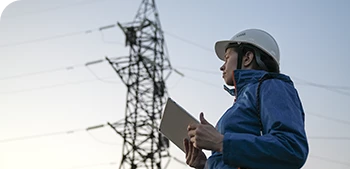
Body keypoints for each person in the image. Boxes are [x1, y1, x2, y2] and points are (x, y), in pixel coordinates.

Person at [183, 29, 309, 169]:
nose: (222, 66)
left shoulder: (272, 85)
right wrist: (205, 164)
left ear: (247, 58)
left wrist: (220, 142)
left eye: (227, 58)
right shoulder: (243, 99)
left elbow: (291, 148)